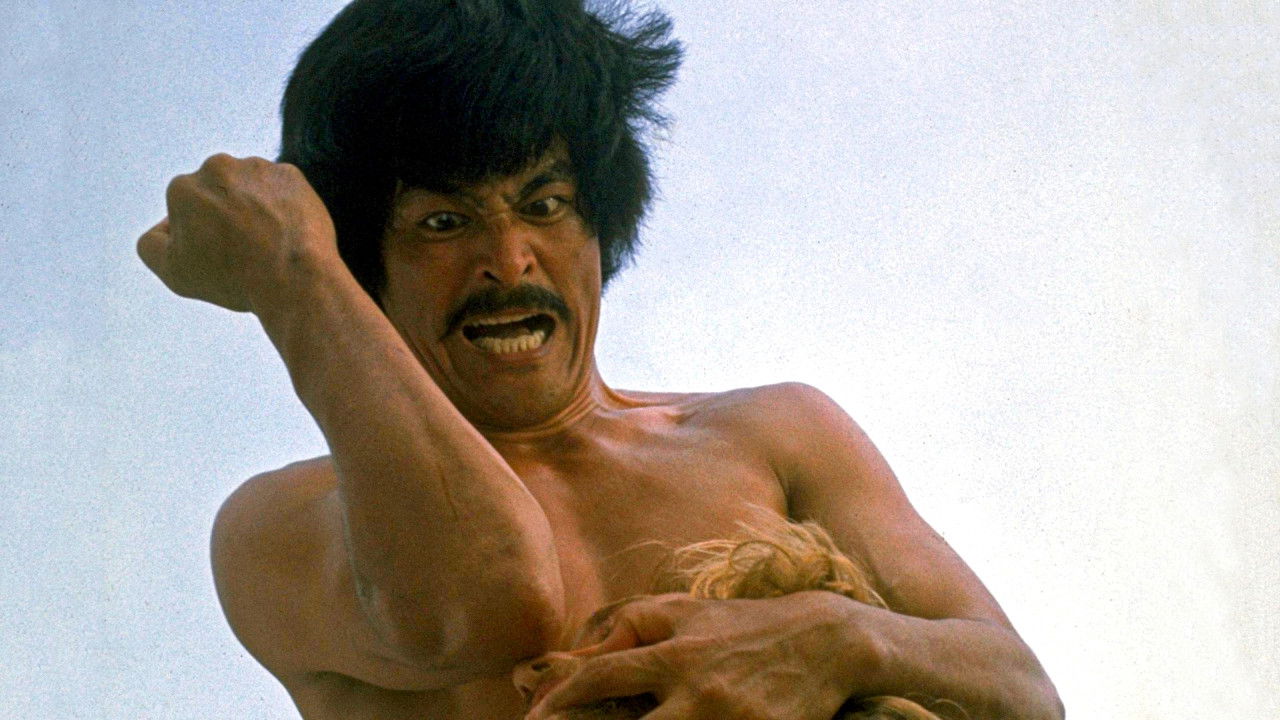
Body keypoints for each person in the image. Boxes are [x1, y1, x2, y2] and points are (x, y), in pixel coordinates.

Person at [137, 1, 1063, 718]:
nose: (509, 261)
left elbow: (1022, 692)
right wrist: (296, 275)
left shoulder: (775, 433)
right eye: (444, 222)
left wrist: (833, 641)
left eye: (544, 205)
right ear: (361, 263)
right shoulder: (281, 528)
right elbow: (492, 604)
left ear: (601, 222)